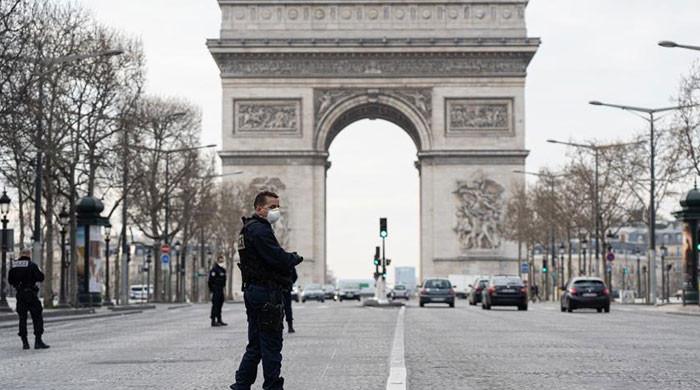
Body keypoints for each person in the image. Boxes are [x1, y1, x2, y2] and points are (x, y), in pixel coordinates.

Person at [230, 191, 303, 390]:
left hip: (254, 291)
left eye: (277, 206)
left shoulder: (247, 229)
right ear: (259, 208)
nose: (275, 210)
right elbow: (276, 258)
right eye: (272, 207)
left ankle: (241, 385)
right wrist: (294, 259)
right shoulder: (260, 231)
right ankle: (272, 386)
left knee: (255, 345)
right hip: (266, 293)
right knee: (271, 344)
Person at [8, 248, 49, 350]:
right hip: (31, 294)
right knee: (37, 316)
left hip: (20, 294)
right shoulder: (32, 265)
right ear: (29, 254)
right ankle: (38, 341)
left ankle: (25, 342)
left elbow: (10, 280)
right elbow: (41, 277)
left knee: (22, 318)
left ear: (21, 254)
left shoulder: (14, 265)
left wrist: (17, 285)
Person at [208, 255, 228, 327]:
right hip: (215, 290)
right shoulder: (214, 270)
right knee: (215, 305)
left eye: (222, 261)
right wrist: (212, 290)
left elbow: (224, 281)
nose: (221, 262)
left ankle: (219, 319)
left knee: (220, 304)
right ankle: (213, 320)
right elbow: (210, 281)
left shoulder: (223, 270)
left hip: (221, 289)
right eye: (220, 261)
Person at [282, 266, 298, 333]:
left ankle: (278, 326)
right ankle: (290, 327)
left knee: (276, 307)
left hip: (277, 289)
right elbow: (295, 276)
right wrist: (290, 282)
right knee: (288, 308)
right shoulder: (288, 263)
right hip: (286, 289)